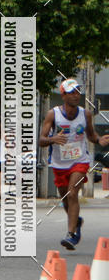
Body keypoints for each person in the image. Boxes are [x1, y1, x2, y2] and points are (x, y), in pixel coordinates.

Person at [39, 78, 109, 250]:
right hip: (59, 163)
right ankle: (76, 221)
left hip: (80, 161)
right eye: (71, 92)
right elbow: (41, 140)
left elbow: (91, 135)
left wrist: (99, 140)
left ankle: (70, 234)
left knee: (72, 193)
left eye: (78, 91)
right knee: (65, 198)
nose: (76, 95)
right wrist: (53, 139)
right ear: (63, 95)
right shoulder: (53, 114)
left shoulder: (85, 114)